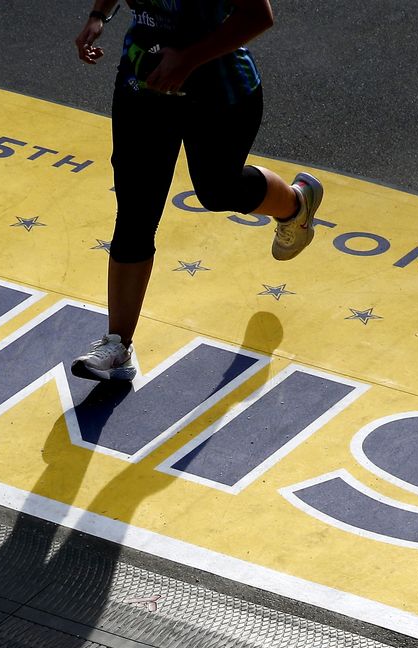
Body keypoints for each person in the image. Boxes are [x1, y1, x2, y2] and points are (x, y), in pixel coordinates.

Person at [71, 0, 321, 382]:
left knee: (218, 191)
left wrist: (187, 60)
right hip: (144, 83)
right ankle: (118, 345)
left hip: (219, 90)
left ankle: (295, 204)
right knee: (136, 211)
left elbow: (258, 16)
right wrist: (98, 16)